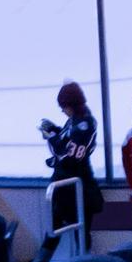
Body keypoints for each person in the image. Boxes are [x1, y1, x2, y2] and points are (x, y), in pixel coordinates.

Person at [38, 82, 103, 250]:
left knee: (80, 229)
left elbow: (67, 154)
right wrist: (54, 129)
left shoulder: (85, 124)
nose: (62, 110)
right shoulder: (75, 120)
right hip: (65, 185)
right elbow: (66, 139)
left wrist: (50, 136)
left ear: (72, 104)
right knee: (56, 224)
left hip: (77, 186)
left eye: (64, 106)